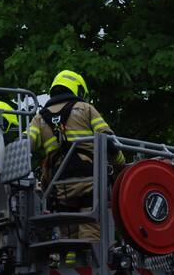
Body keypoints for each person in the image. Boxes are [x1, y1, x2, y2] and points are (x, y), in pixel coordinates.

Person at [28, 70, 125, 242]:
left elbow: (25, 145)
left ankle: (71, 262)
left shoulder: (39, 118)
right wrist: (120, 163)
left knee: (68, 234)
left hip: (58, 187)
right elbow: (109, 141)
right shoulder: (86, 109)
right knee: (90, 230)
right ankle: (88, 263)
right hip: (88, 182)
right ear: (78, 90)